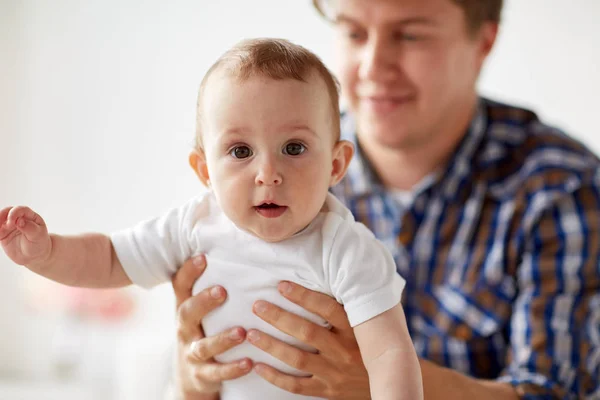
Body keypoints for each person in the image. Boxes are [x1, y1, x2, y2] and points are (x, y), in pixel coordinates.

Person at [170, 0, 600, 399]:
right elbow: (192, 372)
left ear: (483, 42)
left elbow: (558, 393)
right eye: (355, 33)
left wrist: (378, 377)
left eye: (410, 35)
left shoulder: (559, 189)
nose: (374, 66)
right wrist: (195, 378)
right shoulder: (269, 166)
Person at [0, 38, 423, 400]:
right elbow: (109, 259)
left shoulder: (345, 249)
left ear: (336, 164)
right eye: (241, 151)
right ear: (205, 172)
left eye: (294, 148)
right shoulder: (194, 223)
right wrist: (47, 251)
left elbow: (388, 355)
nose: (267, 173)